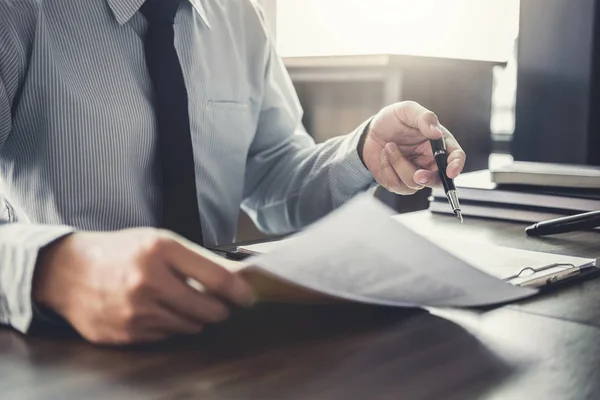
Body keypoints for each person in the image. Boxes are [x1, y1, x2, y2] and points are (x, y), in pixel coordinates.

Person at [0, 0, 466, 345]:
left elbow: (276, 180)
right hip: (55, 344)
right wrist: (51, 269)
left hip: (220, 338)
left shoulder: (239, 16)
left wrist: (363, 151)